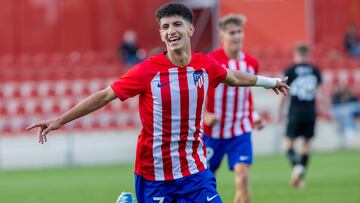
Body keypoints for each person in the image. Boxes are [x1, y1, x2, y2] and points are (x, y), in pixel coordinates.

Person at [27, 3, 288, 202]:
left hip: (195, 170)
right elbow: (106, 95)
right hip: (154, 173)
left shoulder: (205, 65)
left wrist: (270, 82)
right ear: (161, 35)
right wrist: (59, 120)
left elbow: (233, 77)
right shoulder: (146, 71)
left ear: (190, 29)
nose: (171, 31)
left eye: (176, 24)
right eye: (165, 27)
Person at [202, 14, 263, 203]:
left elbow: (246, 94)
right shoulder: (211, 61)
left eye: (239, 31)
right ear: (222, 35)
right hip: (213, 133)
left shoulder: (252, 63)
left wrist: (253, 114)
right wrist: (204, 115)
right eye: (231, 32)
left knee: (243, 177)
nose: (236, 36)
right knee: (205, 181)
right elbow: (197, 92)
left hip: (240, 131)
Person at [278, 44, 322, 188]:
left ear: (296, 55)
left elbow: (284, 93)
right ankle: (300, 178)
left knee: (287, 143)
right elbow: (320, 92)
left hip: (295, 112)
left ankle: (297, 166)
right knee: (306, 145)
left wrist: (280, 110)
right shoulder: (315, 70)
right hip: (310, 112)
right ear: (308, 55)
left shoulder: (290, 70)